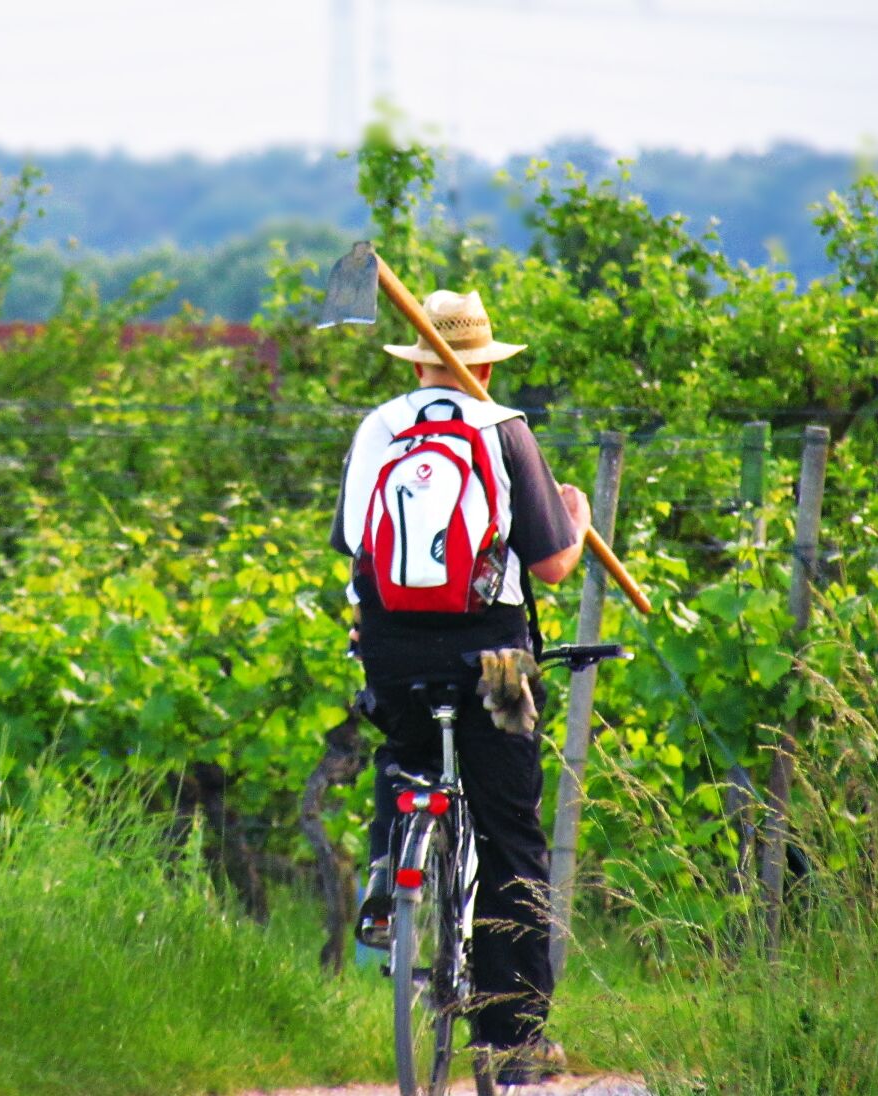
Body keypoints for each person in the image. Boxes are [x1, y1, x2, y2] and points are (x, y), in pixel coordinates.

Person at [329, 289, 592, 1086]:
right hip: (496, 663)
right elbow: (548, 565)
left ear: (415, 361)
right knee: (511, 828)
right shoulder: (506, 428)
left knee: (403, 754)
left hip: (392, 652)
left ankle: (388, 878)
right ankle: (514, 1041)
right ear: (481, 360)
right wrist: (574, 521)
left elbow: (351, 541)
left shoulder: (380, 427)